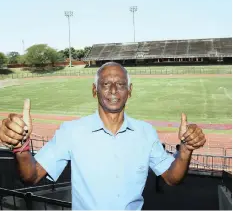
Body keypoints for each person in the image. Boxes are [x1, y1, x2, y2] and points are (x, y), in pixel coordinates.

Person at [0, 62, 206, 210]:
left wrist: (186, 150)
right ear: (94, 90)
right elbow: (31, 176)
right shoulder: (71, 131)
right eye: (106, 84)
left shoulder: (146, 133)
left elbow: (172, 178)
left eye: (121, 84)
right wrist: (21, 147)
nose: (114, 90)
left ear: (130, 90)